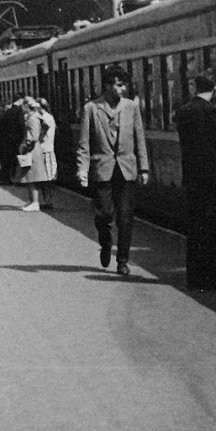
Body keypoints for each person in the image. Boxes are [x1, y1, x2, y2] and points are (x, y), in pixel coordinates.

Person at [75, 66, 149, 276]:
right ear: (107, 85)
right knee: (104, 215)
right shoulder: (91, 108)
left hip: (126, 169)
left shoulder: (131, 107)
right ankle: (105, 243)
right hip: (102, 169)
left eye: (124, 84)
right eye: (118, 84)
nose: (122, 89)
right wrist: (82, 170)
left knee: (126, 218)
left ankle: (123, 261)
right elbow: (84, 143)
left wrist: (144, 167)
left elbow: (139, 138)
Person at [175, 71, 216, 292]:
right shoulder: (211, 112)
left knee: (196, 230)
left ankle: (195, 278)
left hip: (193, 179)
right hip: (215, 181)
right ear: (215, 89)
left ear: (195, 87)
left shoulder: (183, 112)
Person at [15, 97, 49, 211]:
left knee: (32, 176)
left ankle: (35, 202)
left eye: (22, 106)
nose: (21, 109)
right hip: (32, 149)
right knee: (28, 176)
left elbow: (34, 135)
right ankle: (31, 201)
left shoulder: (33, 118)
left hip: (32, 150)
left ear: (26, 106)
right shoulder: (33, 117)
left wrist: (27, 144)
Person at [0, 98, 26, 185]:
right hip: (16, 140)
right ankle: (18, 180)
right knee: (16, 160)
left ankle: (4, 179)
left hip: (5, 140)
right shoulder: (18, 111)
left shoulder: (6, 112)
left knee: (6, 161)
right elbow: (21, 125)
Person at [37, 98, 58, 210]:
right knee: (45, 178)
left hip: (46, 149)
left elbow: (44, 131)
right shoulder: (48, 117)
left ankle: (48, 200)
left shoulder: (45, 118)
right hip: (46, 149)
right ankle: (46, 200)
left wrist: (38, 138)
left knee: (46, 178)